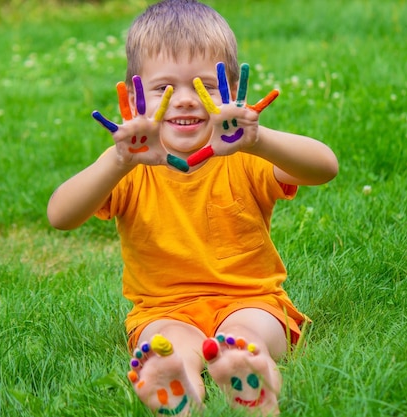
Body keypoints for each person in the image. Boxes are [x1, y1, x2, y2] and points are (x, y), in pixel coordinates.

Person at [47, 0, 338, 415]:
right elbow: (60, 216)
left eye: (206, 85)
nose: (184, 100)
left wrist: (259, 140)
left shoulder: (244, 155)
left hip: (250, 300)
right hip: (162, 310)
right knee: (168, 341)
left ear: (235, 91)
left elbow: (325, 167)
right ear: (134, 96)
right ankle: (176, 380)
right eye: (165, 88)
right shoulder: (128, 166)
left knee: (247, 332)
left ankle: (245, 366)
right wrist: (117, 161)